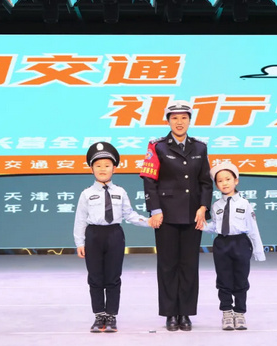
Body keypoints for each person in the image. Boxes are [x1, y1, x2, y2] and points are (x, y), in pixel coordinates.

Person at [140, 102, 212, 331]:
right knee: (167, 266)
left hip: (193, 215)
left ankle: (186, 313)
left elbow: (205, 182)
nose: (179, 122)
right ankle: (170, 314)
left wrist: (203, 207)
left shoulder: (200, 147)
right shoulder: (157, 147)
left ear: (190, 120)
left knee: (189, 265)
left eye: (184, 117)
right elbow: (149, 180)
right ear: (168, 121)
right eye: (174, 118)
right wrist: (155, 210)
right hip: (166, 215)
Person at [74, 142, 150, 333]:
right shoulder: (86, 194)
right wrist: (79, 242)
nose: (102, 169)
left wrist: (149, 221)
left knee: (113, 277)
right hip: (93, 235)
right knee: (95, 277)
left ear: (114, 168)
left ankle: (111, 316)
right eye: (98, 165)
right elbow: (80, 219)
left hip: (114, 235)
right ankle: (99, 315)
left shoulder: (120, 192)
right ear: (91, 169)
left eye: (107, 165)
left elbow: (130, 215)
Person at [201, 162, 266, 330]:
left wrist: (258, 252)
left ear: (236, 181)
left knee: (241, 279)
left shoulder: (245, 204)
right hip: (222, 244)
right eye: (220, 181)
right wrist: (202, 225)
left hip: (241, 243)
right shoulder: (216, 205)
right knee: (223, 279)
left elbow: (253, 228)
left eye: (228, 179)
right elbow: (215, 226)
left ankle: (240, 313)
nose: (224, 183)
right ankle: (227, 312)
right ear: (216, 185)